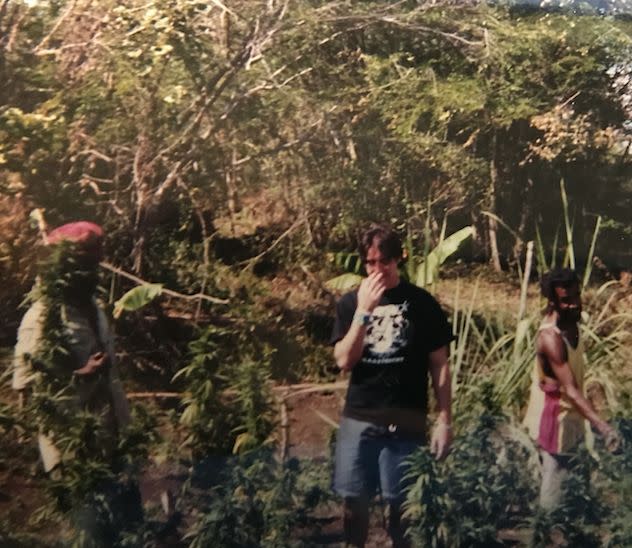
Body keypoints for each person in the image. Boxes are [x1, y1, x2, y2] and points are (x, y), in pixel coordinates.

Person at [331, 224, 453, 548]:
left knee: (402, 511)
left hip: (406, 420)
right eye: (371, 263)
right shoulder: (348, 304)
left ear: (400, 258)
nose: (378, 269)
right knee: (354, 506)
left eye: (385, 261)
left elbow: (440, 365)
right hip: (360, 418)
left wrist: (444, 420)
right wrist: (363, 312)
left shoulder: (422, 304)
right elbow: (344, 360)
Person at [13, 221, 131, 472]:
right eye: (83, 267)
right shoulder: (42, 319)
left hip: (113, 443)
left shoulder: (95, 309)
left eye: (93, 266)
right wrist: (80, 375)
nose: (91, 274)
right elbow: (29, 393)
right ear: (63, 269)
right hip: (72, 453)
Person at [523, 268, 619, 511]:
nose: (574, 304)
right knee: (552, 490)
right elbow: (572, 390)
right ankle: (544, 532)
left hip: (571, 417)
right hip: (553, 420)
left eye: (576, 296)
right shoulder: (550, 338)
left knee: (574, 489)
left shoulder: (572, 326)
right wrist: (603, 427)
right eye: (566, 300)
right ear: (553, 301)